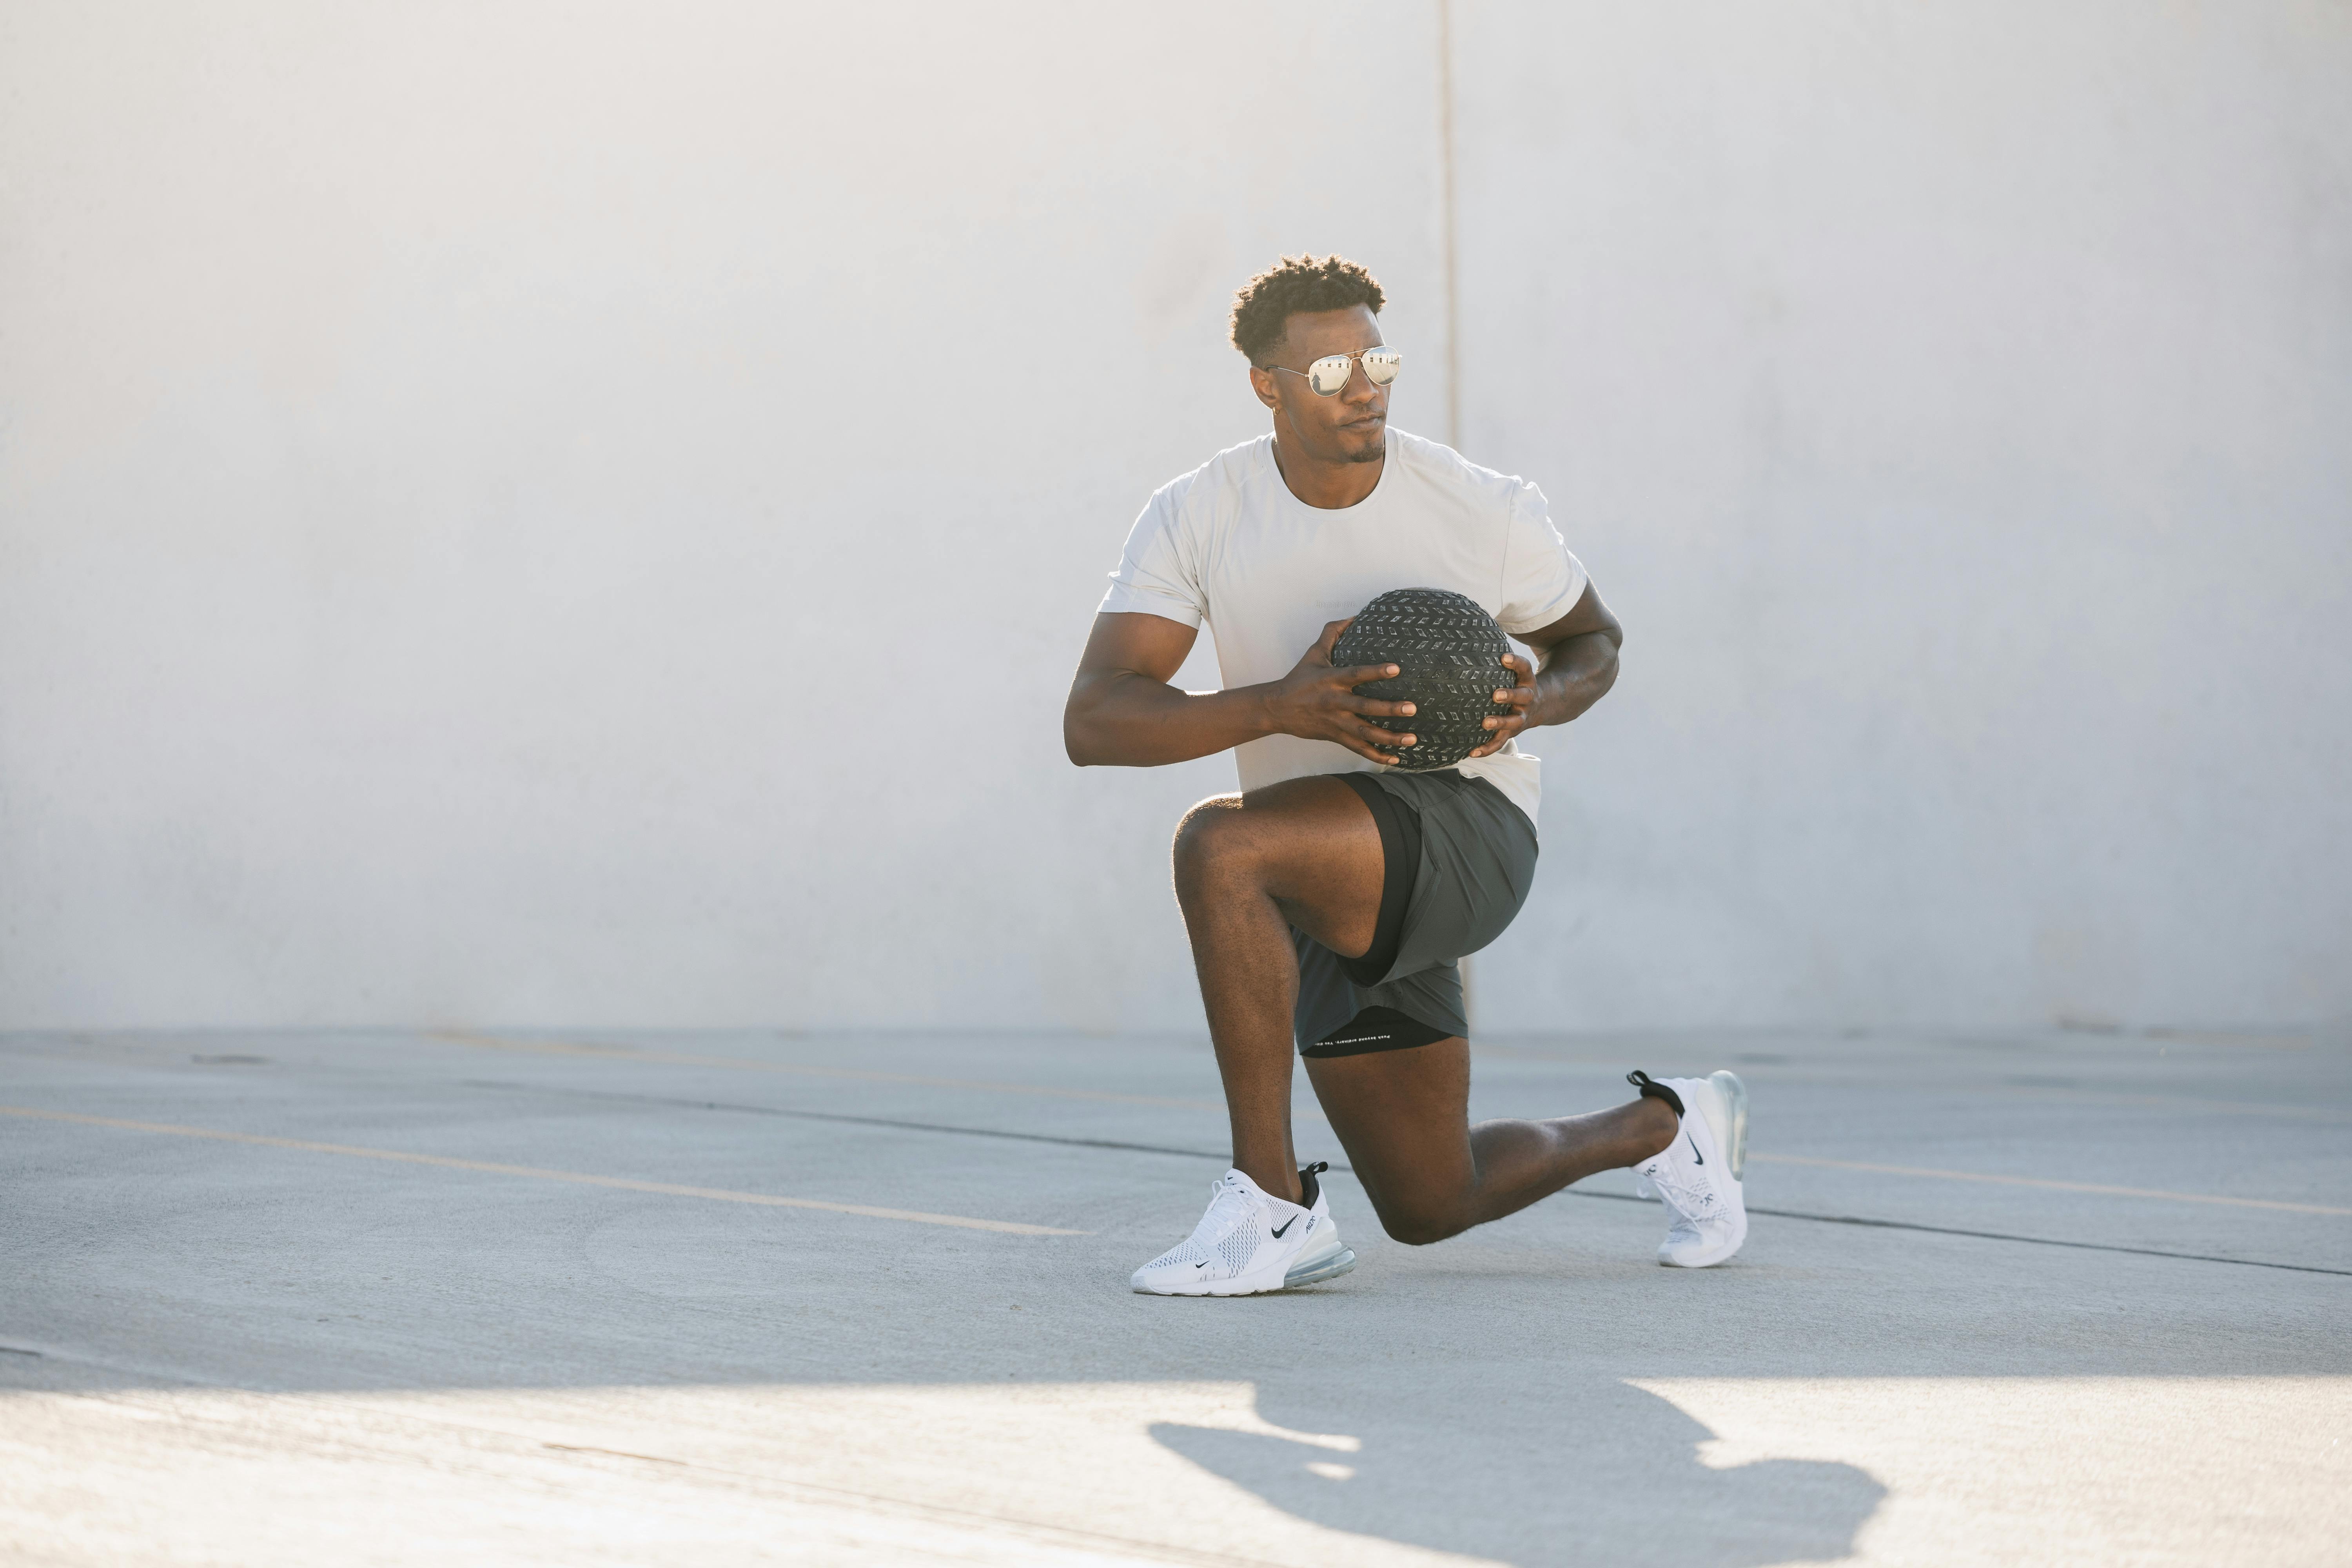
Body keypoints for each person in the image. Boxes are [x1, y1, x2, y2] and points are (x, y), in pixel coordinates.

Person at [1063, 254, 1749, 1296]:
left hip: (1470, 828)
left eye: (1377, 359)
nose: (1366, 387)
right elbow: (1097, 717)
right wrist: (1276, 708)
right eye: (1332, 372)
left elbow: (1592, 642)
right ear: (1269, 386)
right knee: (1432, 1199)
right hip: (1330, 864)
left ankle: (1273, 1206)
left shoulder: (1479, 506)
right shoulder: (1201, 511)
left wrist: (1542, 699)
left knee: (1220, 844)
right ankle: (1671, 1126)